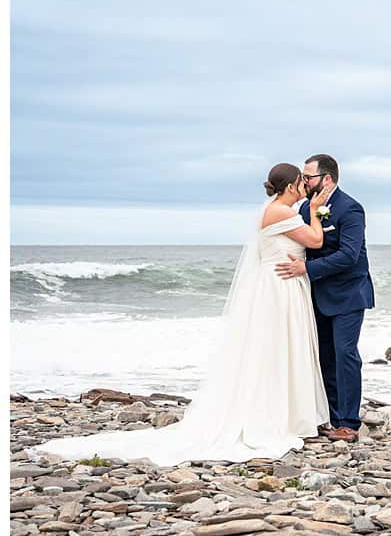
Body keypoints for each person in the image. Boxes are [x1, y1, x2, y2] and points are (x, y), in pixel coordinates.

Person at [29, 164, 334, 466]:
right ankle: (277, 416)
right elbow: (315, 241)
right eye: (302, 182)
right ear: (293, 185)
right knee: (277, 348)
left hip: (284, 284)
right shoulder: (282, 212)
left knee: (278, 349)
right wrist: (316, 212)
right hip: (279, 287)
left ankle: (288, 413)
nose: (307, 186)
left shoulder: (279, 210)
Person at [275, 153, 375, 443]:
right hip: (316, 294)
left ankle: (348, 423)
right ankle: (329, 418)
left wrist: (306, 268)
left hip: (348, 293)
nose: (304, 181)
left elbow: (349, 255)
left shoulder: (351, 209)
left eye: (309, 176)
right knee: (324, 357)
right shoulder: (306, 207)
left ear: (326, 179)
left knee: (345, 355)